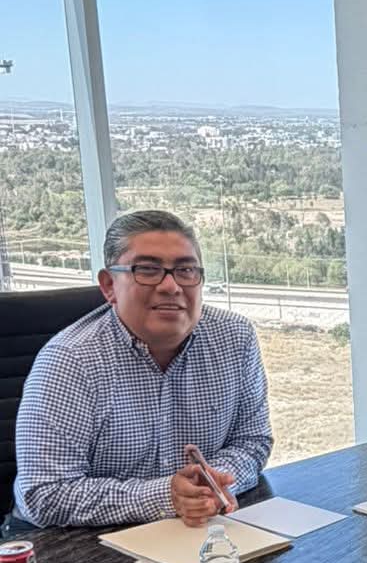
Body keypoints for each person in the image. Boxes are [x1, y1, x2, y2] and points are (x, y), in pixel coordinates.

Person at [14, 209, 273, 530]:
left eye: (186, 270)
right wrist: (166, 496)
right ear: (109, 285)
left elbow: (252, 440)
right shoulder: (70, 361)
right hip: (72, 541)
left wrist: (209, 484)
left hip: (194, 528)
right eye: (148, 270)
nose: (171, 286)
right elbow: (43, 494)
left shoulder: (234, 338)